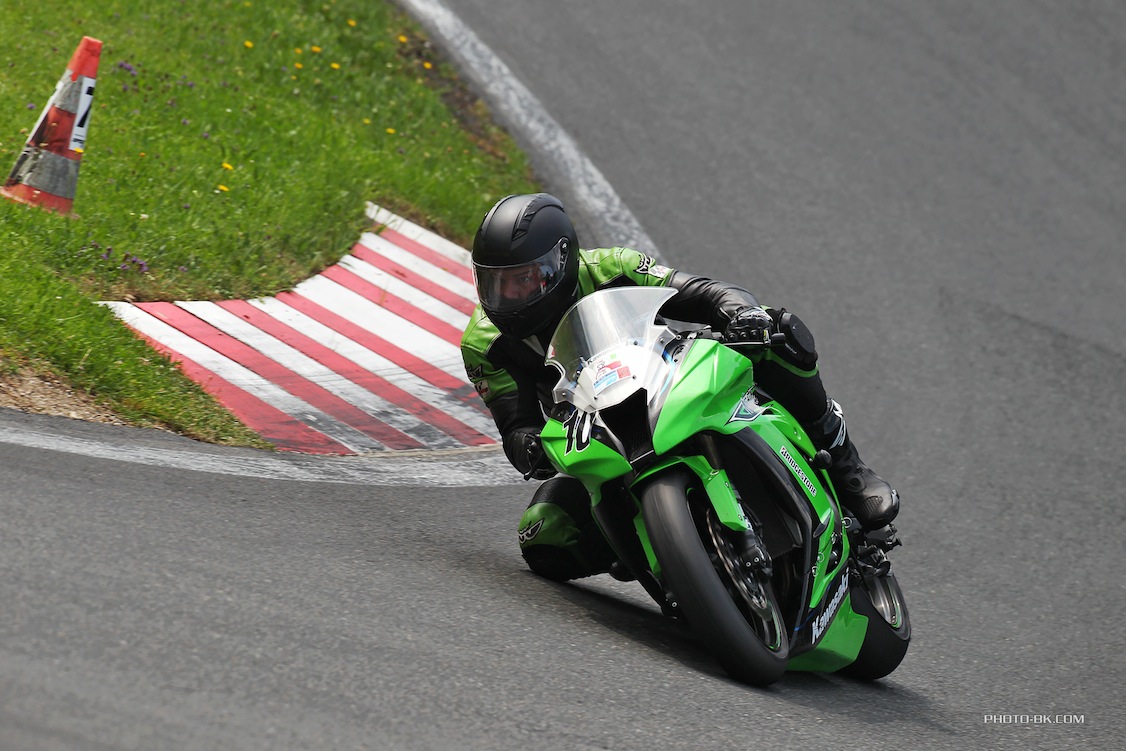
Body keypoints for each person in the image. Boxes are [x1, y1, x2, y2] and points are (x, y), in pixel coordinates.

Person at [461, 193, 899, 581]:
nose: (509, 296)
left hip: (662, 385)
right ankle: (665, 559)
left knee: (776, 330)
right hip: (594, 434)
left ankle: (847, 465)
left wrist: (741, 313)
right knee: (545, 535)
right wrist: (529, 447)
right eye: (496, 283)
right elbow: (515, 425)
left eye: (523, 279)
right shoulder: (484, 344)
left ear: (562, 261)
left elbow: (704, 293)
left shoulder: (612, 268)